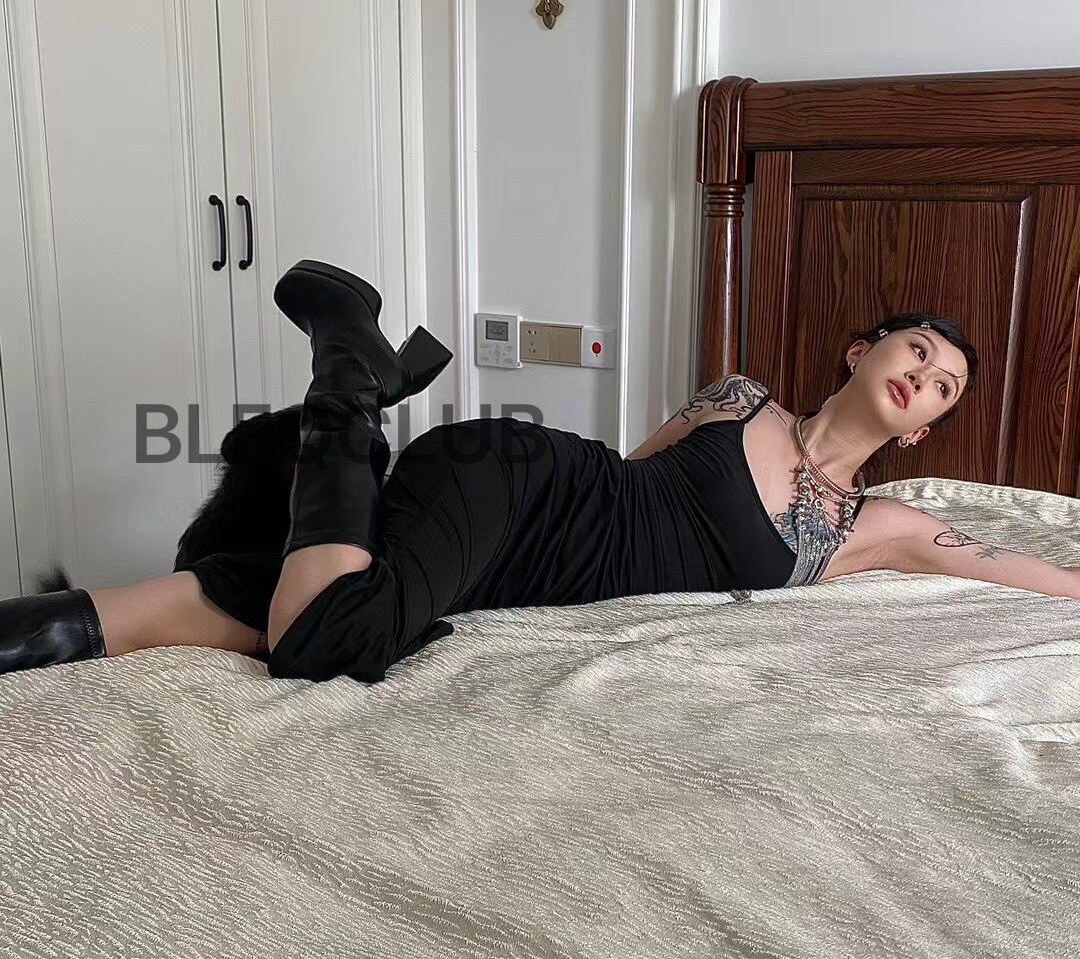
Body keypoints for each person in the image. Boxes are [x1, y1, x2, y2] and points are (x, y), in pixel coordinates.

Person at [0, 264, 1076, 683]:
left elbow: (1023, 570)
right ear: (863, 352)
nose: (923, 376)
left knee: (237, 608)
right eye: (915, 351)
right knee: (332, 638)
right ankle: (347, 377)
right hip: (514, 480)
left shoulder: (877, 526)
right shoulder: (740, 398)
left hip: (512, 574)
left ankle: (46, 628)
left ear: (927, 430)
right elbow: (625, 477)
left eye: (944, 386)